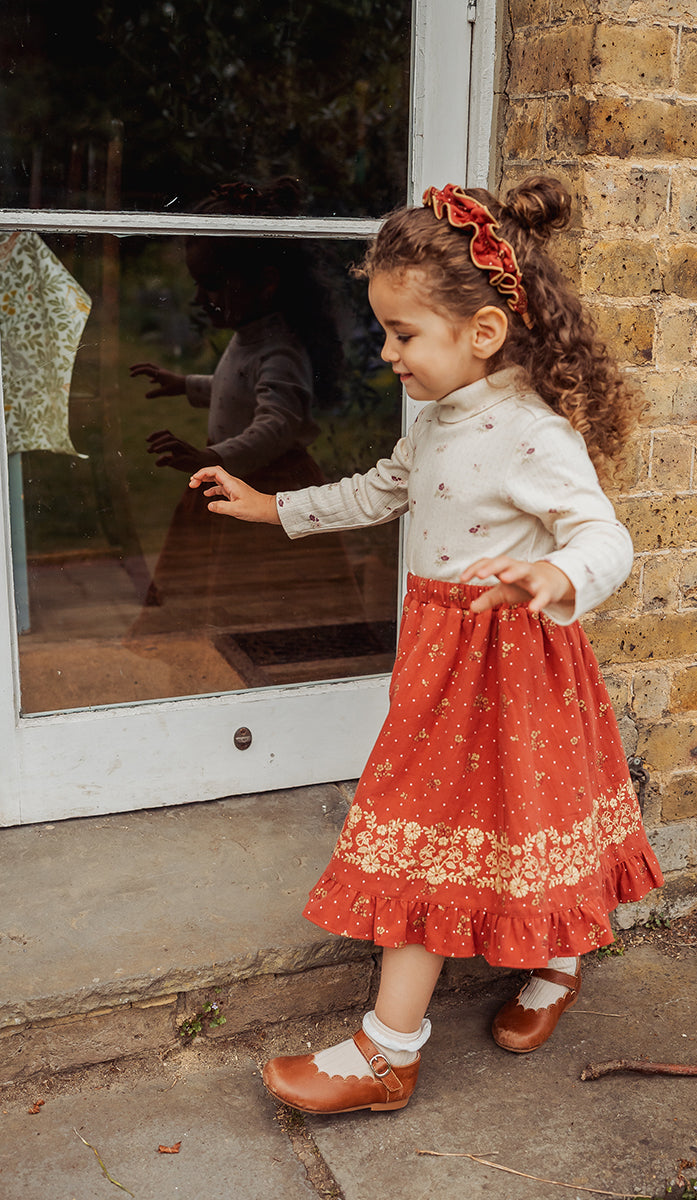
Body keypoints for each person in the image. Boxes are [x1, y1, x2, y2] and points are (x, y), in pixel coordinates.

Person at [190, 175, 664, 1114]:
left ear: (481, 332)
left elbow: (605, 535)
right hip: (443, 662)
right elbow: (378, 490)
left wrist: (556, 575)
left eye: (403, 334)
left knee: (479, 827)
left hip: (512, 664)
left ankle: (405, 1041)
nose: (387, 352)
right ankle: (510, 985)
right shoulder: (442, 419)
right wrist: (274, 507)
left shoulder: (532, 432)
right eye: (384, 331)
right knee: (479, 826)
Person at [129, 178, 365, 642]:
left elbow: (277, 424)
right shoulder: (252, 338)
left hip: (268, 484)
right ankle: (221, 640)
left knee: (263, 588)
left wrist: (212, 457)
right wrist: (184, 385)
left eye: (212, 284)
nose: (200, 299)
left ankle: (260, 641)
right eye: (198, 285)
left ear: (266, 283)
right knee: (216, 582)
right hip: (234, 475)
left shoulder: (280, 349)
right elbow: (234, 387)